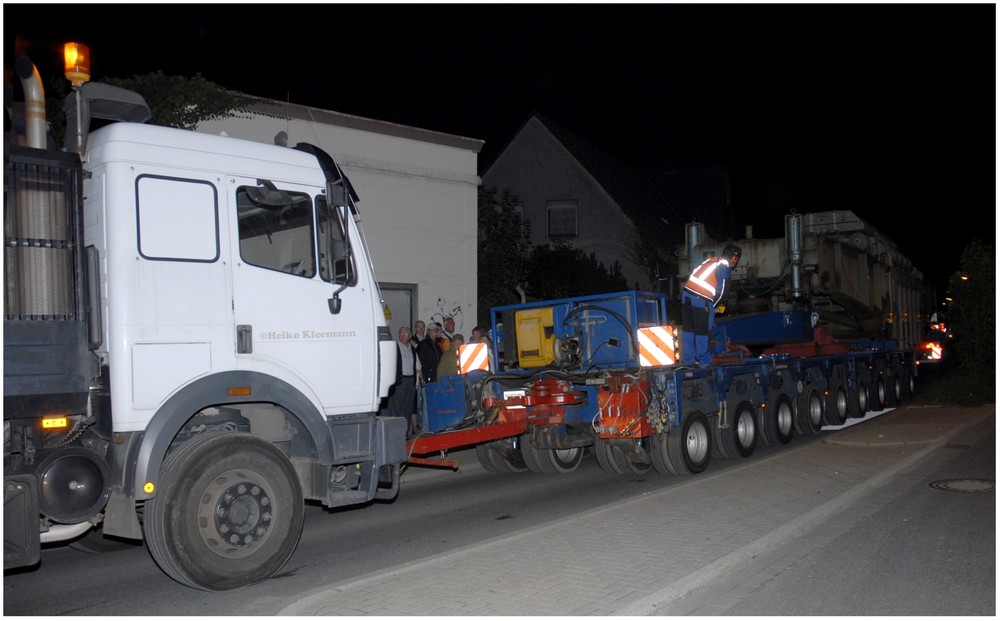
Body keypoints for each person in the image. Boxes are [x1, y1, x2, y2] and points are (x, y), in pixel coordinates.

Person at [681, 244, 741, 368]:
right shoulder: (725, 267)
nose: (736, 262)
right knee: (702, 330)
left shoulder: (710, 260)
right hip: (700, 298)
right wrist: (715, 308)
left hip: (685, 295)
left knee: (689, 329)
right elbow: (723, 294)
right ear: (734, 257)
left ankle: (688, 360)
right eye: (737, 258)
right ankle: (704, 361)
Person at [388, 326, 421, 436]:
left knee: (408, 407)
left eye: (405, 334)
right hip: (400, 381)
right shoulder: (395, 347)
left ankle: (405, 431)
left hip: (410, 380)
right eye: (401, 334)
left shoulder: (412, 348)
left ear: (410, 336)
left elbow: (417, 365)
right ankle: (394, 432)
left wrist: (419, 378)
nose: (402, 336)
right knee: (396, 407)